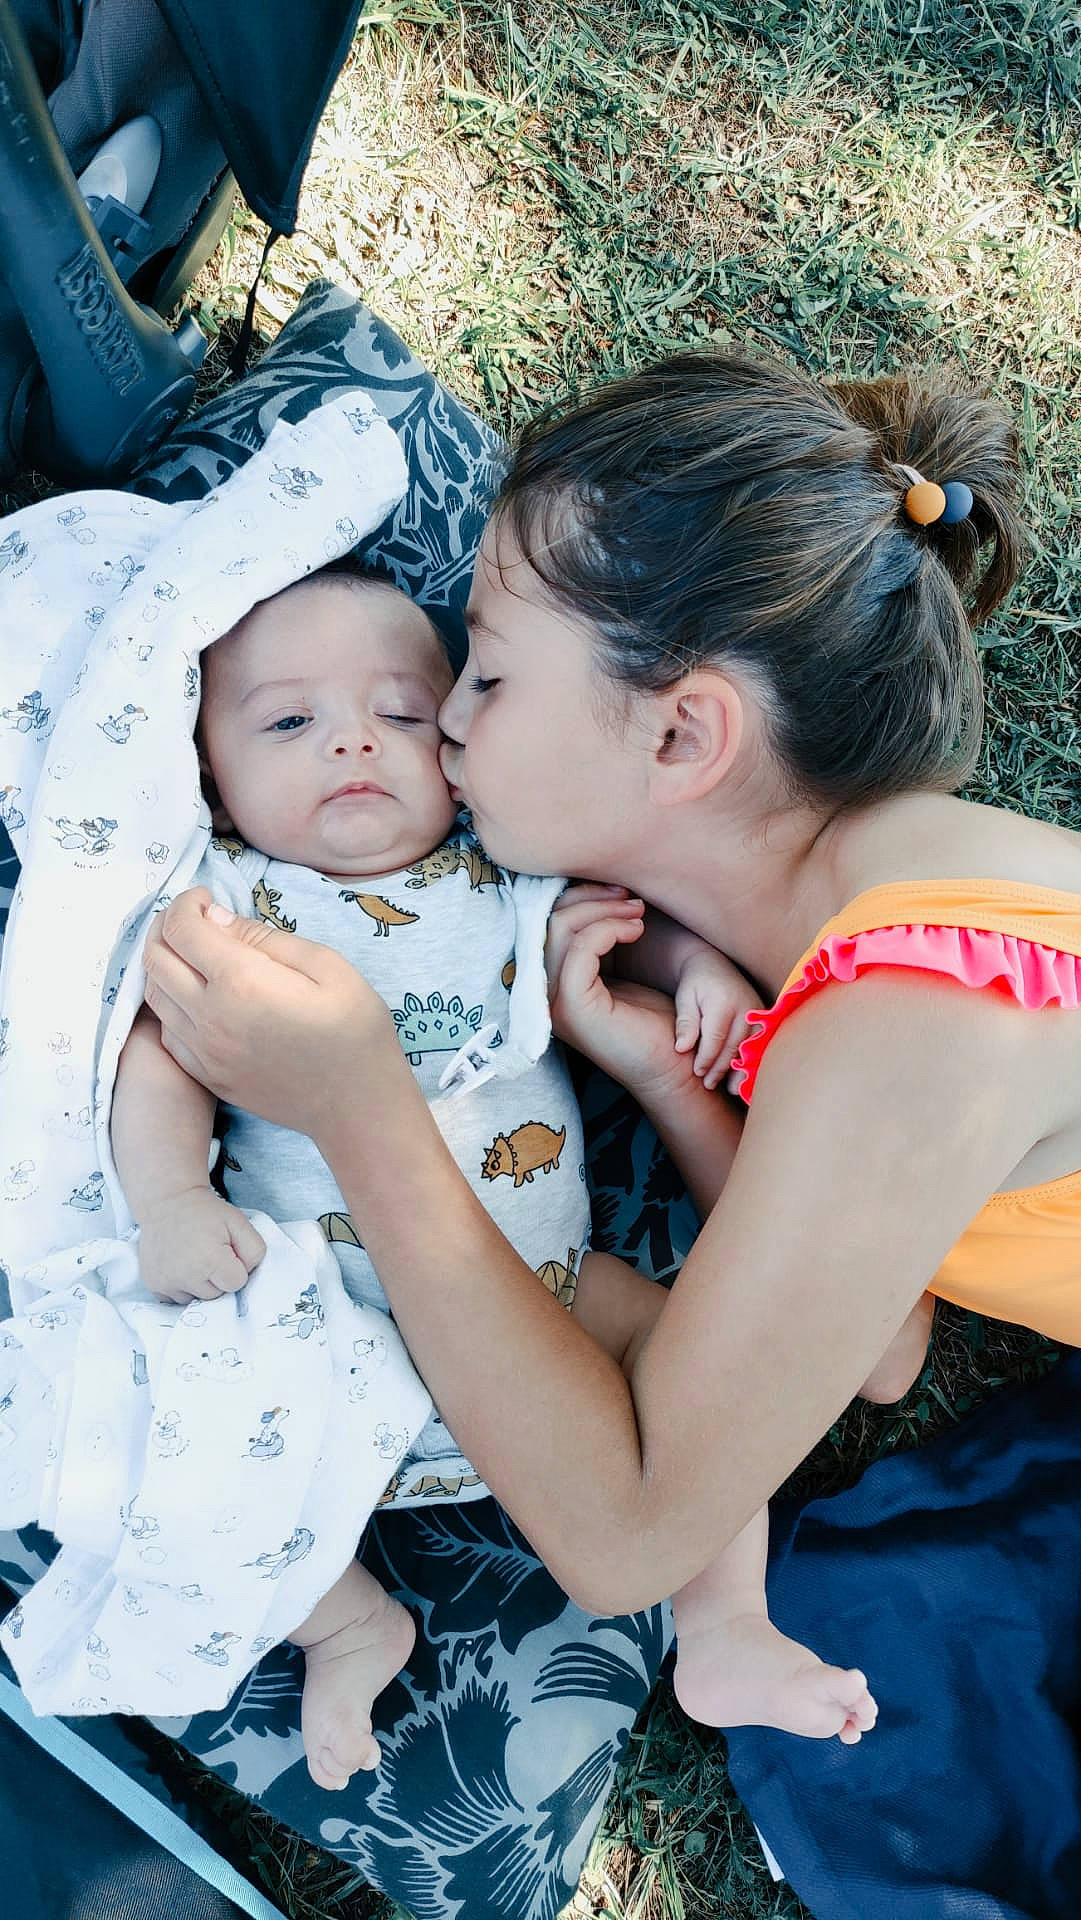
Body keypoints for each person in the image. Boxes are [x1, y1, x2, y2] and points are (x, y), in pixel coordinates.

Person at [140, 349, 1080, 1673]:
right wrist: (666, 1078)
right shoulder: (835, 921)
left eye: (489, 677)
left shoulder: (918, 1022)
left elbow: (628, 1539)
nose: (447, 729)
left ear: (684, 740)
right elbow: (874, 1352)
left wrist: (359, 1109)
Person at [111, 564, 876, 1796]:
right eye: (289, 722)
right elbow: (159, 1059)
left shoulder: (501, 870)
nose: (354, 739)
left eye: (402, 714)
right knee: (178, 1450)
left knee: (712, 1371)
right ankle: (350, 1622)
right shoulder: (225, 905)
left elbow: (628, 920)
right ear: (210, 776)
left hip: (548, 1294)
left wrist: (693, 973)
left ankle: (725, 1622)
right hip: (310, 1329)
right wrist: (171, 1203)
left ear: (457, 749)